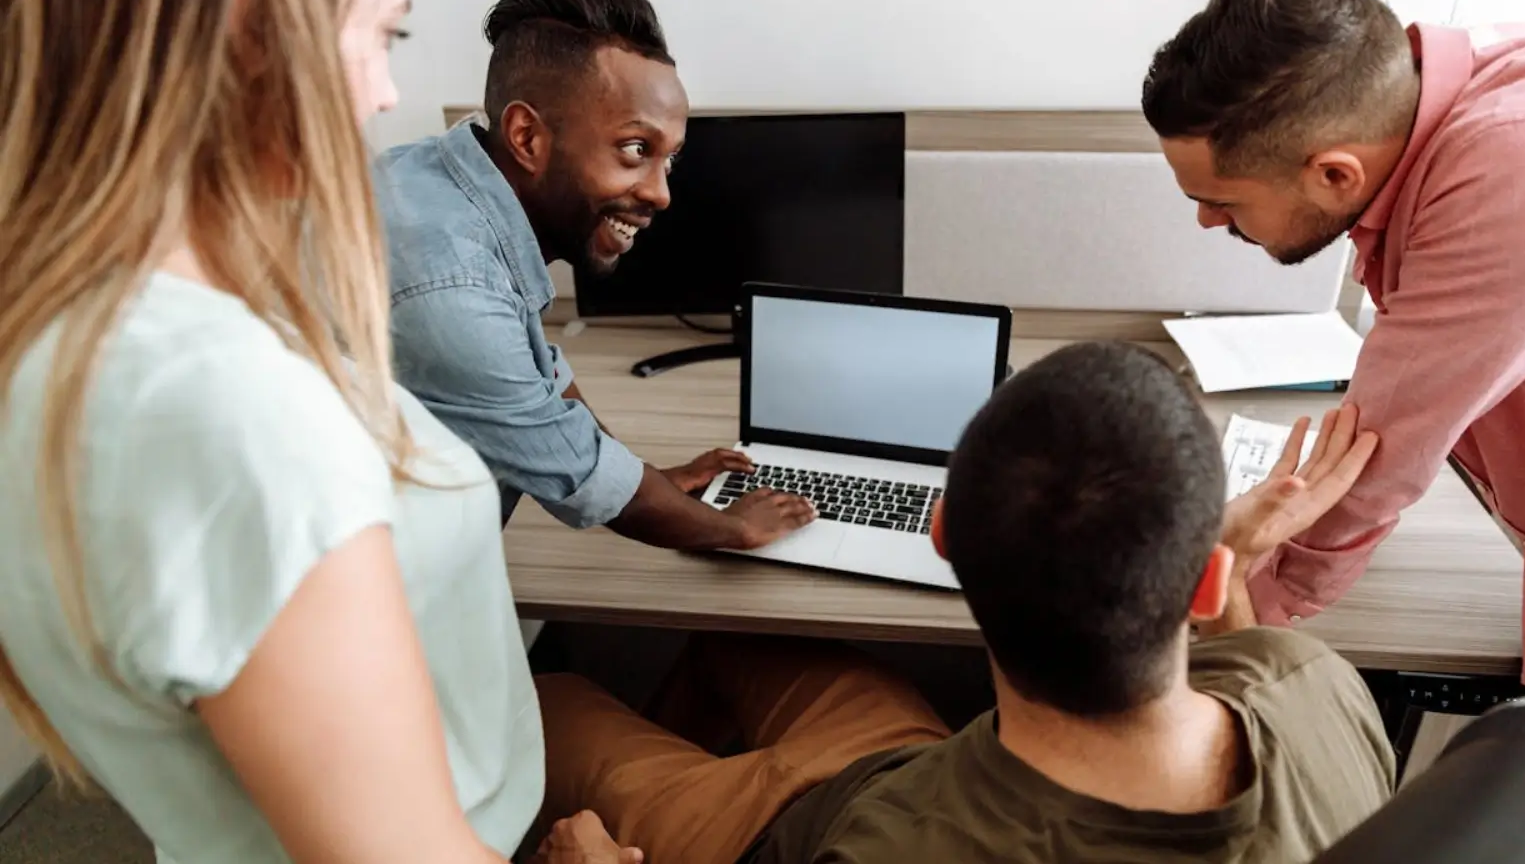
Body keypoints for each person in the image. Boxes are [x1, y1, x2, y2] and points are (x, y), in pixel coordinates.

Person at [0, 0, 573, 861]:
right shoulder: (225, 410)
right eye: (390, 36)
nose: (387, 95)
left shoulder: (83, 331)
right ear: (247, 23)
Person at [530, 342, 1396, 864]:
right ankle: (689, 770)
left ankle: (685, 814)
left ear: (942, 537)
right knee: (735, 645)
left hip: (794, 829)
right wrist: (1230, 564)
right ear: (1205, 586)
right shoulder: (1313, 683)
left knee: (553, 698)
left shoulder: (893, 856)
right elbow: (1244, 665)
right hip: (916, 770)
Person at [1140, 0, 1525, 695]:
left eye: (1221, 201)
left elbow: (1376, 456)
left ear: (1333, 175)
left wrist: (1230, 617)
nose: (1205, 220)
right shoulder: (1451, 90)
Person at [373, 0, 813, 550]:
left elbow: (543, 382)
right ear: (527, 135)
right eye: (635, 150)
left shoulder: (437, 178)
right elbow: (584, 483)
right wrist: (737, 528)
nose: (660, 194)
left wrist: (646, 478)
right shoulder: (454, 286)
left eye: (669, 160)